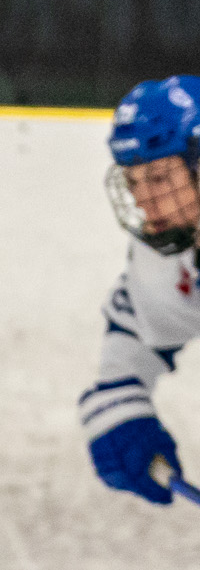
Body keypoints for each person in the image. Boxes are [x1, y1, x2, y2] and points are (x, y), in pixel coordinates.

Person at [84, 76, 200, 507]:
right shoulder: (168, 249)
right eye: (133, 182)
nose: (144, 200)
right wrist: (121, 406)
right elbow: (141, 325)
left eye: (159, 177)